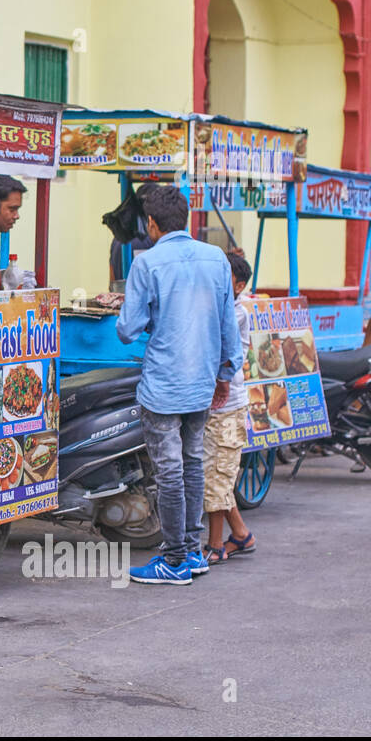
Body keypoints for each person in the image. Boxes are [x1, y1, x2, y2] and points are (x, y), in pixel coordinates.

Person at [116, 185, 242, 585]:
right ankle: (191, 551)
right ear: (184, 219)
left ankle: (173, 560)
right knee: (191, 464)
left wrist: (151, 314)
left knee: (169, 471)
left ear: (151, 224)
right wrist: (224, 374)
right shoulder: (217, 259)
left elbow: (126, 329)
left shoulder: (148, 263)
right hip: (202, 381)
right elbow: (228, 326)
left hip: (164, 385)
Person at [203, 253, 256, 563]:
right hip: (215, 405)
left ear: (237, 286)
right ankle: (241, 534)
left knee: (218, 476)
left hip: (227, 405)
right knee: (216, 474)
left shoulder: (236, 313)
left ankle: (215, 545)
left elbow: (223, 349)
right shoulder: (223, 306)